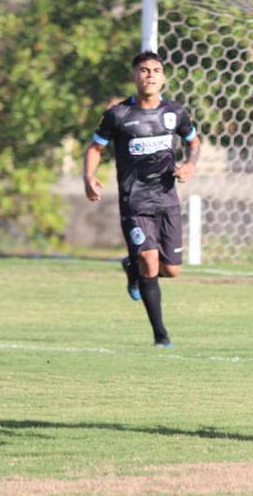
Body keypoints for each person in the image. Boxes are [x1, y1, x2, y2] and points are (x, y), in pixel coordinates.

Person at [84, 51, 200, 347]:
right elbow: (95, 148)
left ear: (163, 78)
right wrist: (89, 176)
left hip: (167, 201)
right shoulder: (118, 115)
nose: (150, 75)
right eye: (144, 70)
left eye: (156, 70)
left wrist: (189, 165)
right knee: (150, 261)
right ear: (135, 76)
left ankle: (131, 267)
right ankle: (161, 336)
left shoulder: (175, 113)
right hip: (134, 203)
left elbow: (193, 142)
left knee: (171, 270)